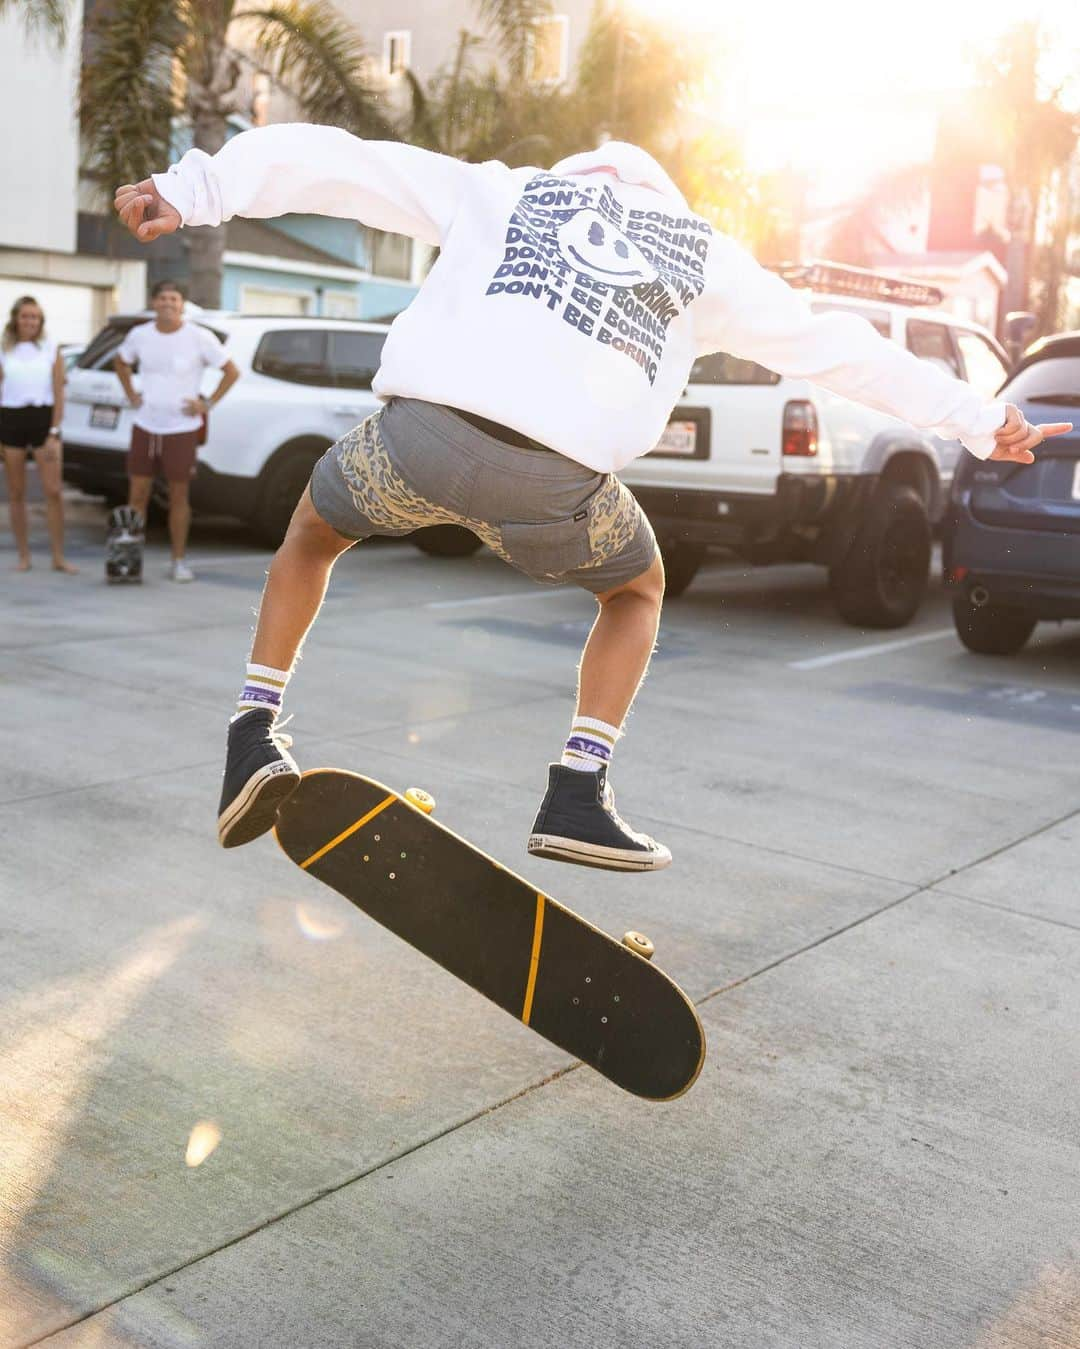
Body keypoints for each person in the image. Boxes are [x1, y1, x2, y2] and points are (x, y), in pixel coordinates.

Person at [113, 125, 1071, 867]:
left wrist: (194, 189)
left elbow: (341, 164)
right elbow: (838, 348)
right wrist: (983, 422)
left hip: (413, 442)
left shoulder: (501, 189)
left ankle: (251, 732)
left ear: (575, 178)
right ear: (663, 200)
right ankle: (577, 786)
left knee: (313, 535)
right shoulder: (704, 253)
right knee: (638, 591)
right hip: (559, 485)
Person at [113, 279, 239, 582]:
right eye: (162, 298)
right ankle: (130, 563)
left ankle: (178, 561)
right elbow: (120, 362)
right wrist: (131, 393)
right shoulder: (140, 335)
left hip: (182, 429)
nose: (167, 303)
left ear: (182, 304)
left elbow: (231, 371)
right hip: (145, 424)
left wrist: (206, 403)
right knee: (138, 494)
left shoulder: (199, 337)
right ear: (154, 302)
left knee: (179, 496)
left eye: (174, 299)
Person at [0, 295, 78, 573]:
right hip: (10, 419)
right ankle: (24, 556)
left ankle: (58, 557)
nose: (30, 321)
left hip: (43, 419)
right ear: (16, 319)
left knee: (53, 491)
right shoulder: (3, 349)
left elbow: (59, 392)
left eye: (35, 317)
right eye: (25, 316)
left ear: (41, 321)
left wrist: (54, 431)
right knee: (17, 492)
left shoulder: (50, 349)